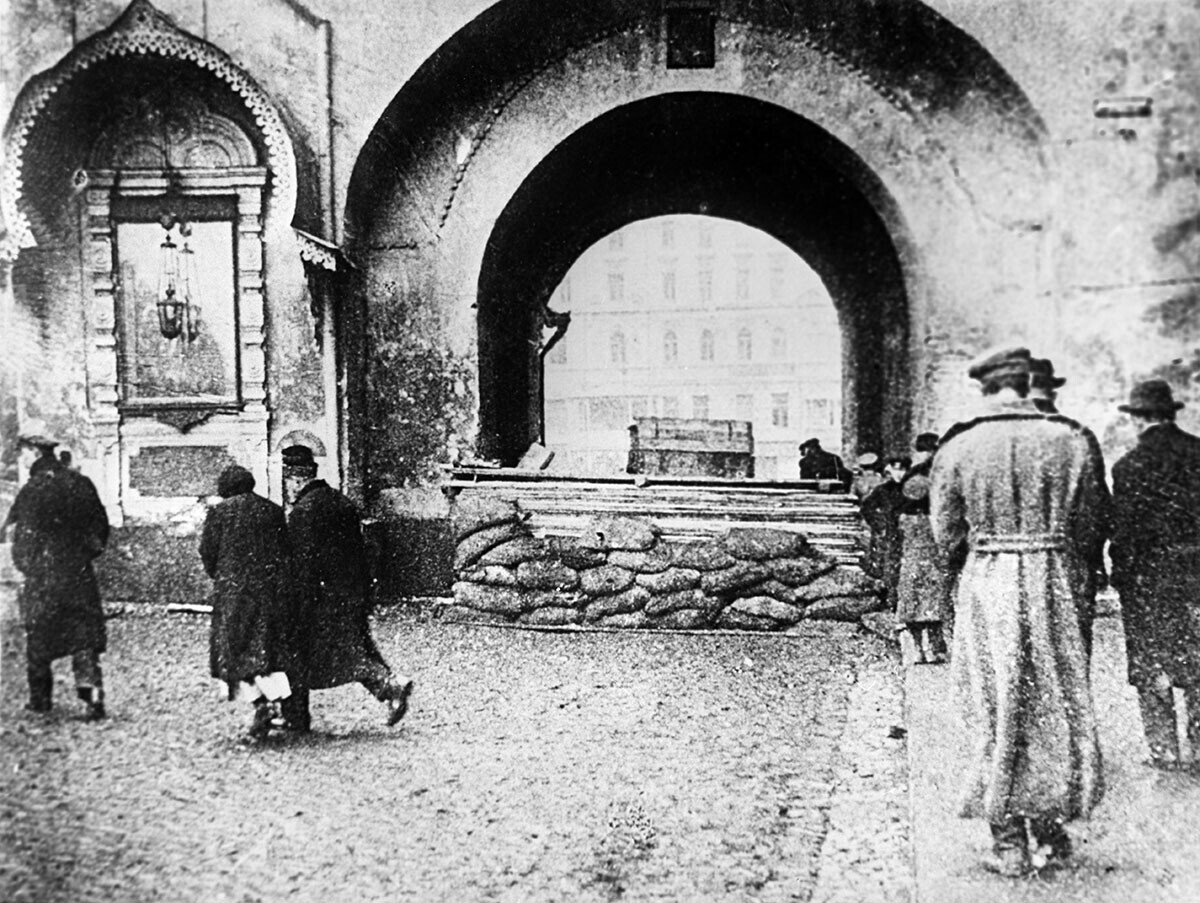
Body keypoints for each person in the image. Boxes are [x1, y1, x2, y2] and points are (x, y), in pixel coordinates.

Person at [930, 346, 1109, 877]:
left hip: (989, 582)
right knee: (1056, 701)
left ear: (985, 387)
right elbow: (1091, 522)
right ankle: (1052, 834)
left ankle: (1007, 841)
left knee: (994, 702)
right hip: (1054, 578)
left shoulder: (960, 446)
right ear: (1027, 382)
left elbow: (947, 534)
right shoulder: (1071, 441)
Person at [277, 446, 412, 732]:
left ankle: (389, 685)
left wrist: (295, 602)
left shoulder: (303, 512)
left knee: (313, 652)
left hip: (322, 599)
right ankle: (387, 685)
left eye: (287, 481)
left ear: (295, 479)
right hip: (354, 592)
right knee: (355, 646)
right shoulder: (341, 502)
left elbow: (304, 566)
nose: (287, 488)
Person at [1109, 379, 1200, 770]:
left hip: (1150, 580)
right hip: (1196, 575)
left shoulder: (1130, 466)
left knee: (1151, 664)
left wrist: (1120, 573)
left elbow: (1125, 531)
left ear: (1139, 419)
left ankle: (1164, 752)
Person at [8, 433, 110, 719]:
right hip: (78, 574)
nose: (22, 460)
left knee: (39, 633)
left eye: (24, 454)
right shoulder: (80, 483)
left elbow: (22, 536)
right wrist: (83, 556)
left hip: (43, 574)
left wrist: (28, 565)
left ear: (34, 453)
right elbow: (100, 527)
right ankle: (93, 697)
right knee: (84, 635)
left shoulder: (32, 490)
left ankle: (40, 699)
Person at [199, 464, 297, 742]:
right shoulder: (273, 510)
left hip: (233, 595)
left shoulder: (219, 512)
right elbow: (285, 552)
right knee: (266, 649)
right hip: (268, 592)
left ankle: (260, 704)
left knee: (235, 651)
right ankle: (274, 702)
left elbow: (208, 553)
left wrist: (223, 577)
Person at [895, 432, 952, 664]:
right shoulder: (935, 474)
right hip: (927, 532)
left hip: (916, 536)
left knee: (917, 592)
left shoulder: (916, 474)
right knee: (930, 592)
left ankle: (923, 647)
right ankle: (932, 647)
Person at [860, 455, 910, 603]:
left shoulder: (912, 489)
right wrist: (878, 524)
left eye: (902, 470)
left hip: (906, 536)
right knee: (886, 570)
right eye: (895, 469)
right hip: (887, 537)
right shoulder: (883, 490)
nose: (898, 474)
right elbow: (867, 508)